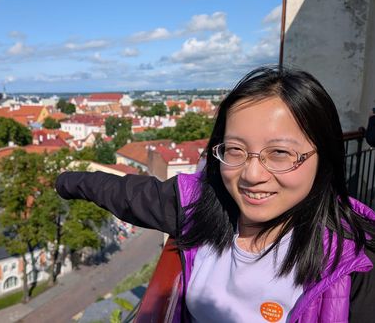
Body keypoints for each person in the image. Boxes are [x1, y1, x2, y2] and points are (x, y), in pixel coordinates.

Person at [55, 66, 375, 322]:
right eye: (235, 150)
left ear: (324, 160)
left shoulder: (357, 262)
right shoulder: (201, 203)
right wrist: (64, 181)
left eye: (279, 153)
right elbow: (126, 194)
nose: (252, 175)